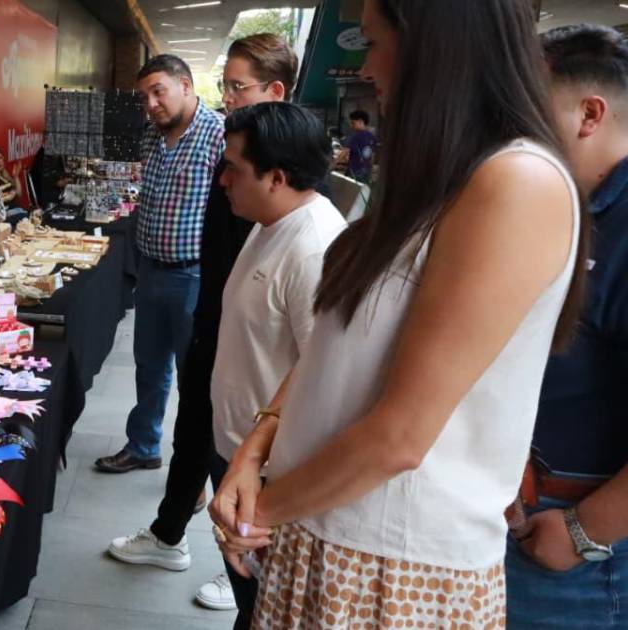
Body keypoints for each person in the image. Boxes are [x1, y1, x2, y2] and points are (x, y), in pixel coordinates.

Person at [211, 0, 588, 627]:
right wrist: (257, 445)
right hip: (321, 533)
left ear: (435, 47)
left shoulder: (517, 182)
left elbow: (401, 436)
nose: (366, 65)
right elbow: (334, 353)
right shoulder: (439, 181)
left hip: (390, 567)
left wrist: (260, 511)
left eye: (375, 40)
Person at [105, 34, 302, 618]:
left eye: (237, 87)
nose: (228, 97)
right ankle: (173, 532)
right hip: (206, 300)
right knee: (194, 419)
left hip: (217, 305)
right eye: (227, 86)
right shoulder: (195, 144)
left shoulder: (276, 191)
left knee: (227, 437)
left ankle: (244, 562)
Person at [504, 24, 628, 629]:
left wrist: (584, 531)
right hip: (519, 516)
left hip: (580, 553)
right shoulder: (559, 209)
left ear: (589, 114)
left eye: (527, 108)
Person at [93, 54, 224, 475]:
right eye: (144, 96)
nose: (150, 104)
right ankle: (144, 445)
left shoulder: (218, 134)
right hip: (150, 270)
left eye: (158, 92)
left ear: (186, 85)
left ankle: (195, 469)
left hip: (194, 275)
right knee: (149, 366)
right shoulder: (152, 136)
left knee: (194, 375)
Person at [0, 146, 27, 222]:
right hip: (4, 215)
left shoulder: (4, 174)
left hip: (16, 210)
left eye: (0, 158)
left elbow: (19, 193)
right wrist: (9, 196)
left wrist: (15, 177)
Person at [337, 110, 377, 183]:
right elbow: (372, 157)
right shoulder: (372, 137)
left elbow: (344, 152)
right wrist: (370, 171)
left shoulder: (355, 137)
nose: (351, 126)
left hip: (354, 171)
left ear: (360, 122)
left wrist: (332, 165)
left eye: (353, 123)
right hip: (366, 171)